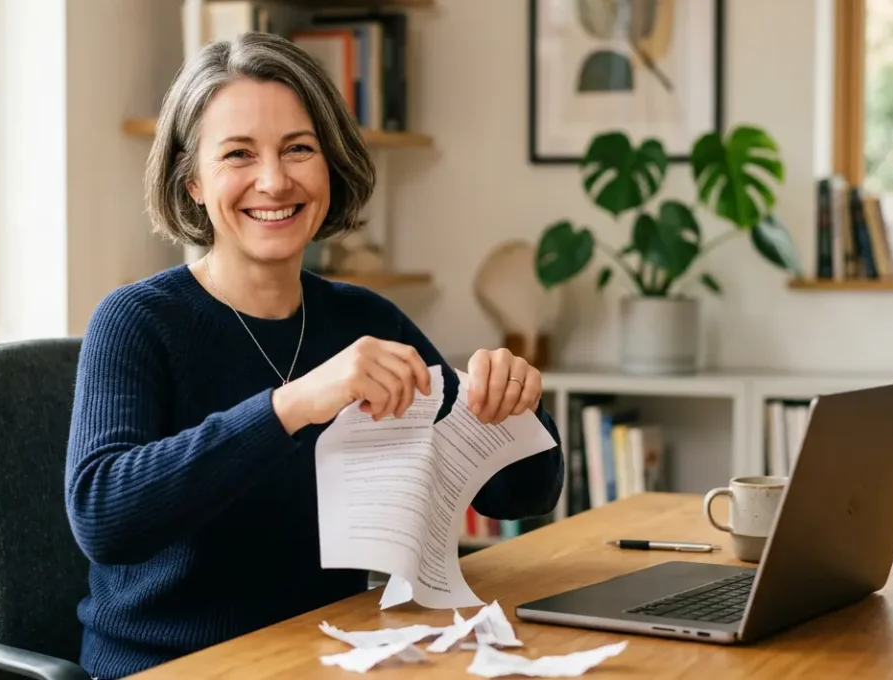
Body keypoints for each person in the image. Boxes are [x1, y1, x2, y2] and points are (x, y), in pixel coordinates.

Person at [64, 31, 564, 680]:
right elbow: (104, 517)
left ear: (329, 165)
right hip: (165, 667)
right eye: (238, 154)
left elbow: (522, 493)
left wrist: (511, 412)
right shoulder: (135, 322)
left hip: (328, 656)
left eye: (299, 149)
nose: (274, 181)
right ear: (191, 180)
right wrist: (293, 404)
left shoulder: (364, 320)